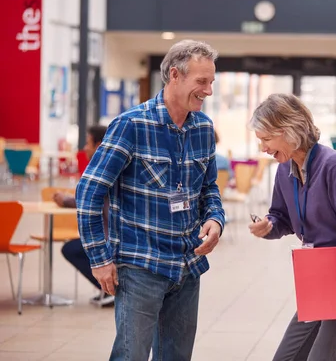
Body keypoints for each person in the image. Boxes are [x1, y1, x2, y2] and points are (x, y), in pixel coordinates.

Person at [76, 39, 225, 361]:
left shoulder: (203, 127)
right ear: (174, 75)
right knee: (131, 356)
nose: (208, 91)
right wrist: (99, 258)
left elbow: (209, 188)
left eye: (211, 82)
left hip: (187, 265)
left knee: (176, 357)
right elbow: (89, 191)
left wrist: (215, 219)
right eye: (202, 81)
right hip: (140, 265)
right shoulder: (131, 125)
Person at [248, 93, 336, 361]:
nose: (263, 148)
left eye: (266, 139)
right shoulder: (285, 170)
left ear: (289, 131)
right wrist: (268, 226)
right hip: (317, 278)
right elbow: (281, 217)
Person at [56, 125, 112, 307]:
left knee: (71, 249)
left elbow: (86, 198)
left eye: (88, 143)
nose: (85, 148)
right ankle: (107, 289)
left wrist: (64, 200)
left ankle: (110, 289)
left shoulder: (102, 169)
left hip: (109, 238)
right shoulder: (108, 166)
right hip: (112, 236)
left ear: (98, 145)